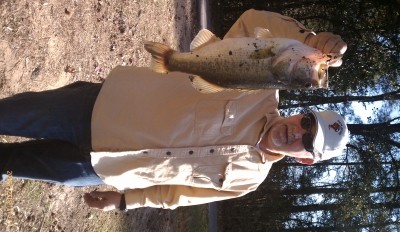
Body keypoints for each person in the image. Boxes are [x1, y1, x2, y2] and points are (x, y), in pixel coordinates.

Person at [0, 9, 349, 211]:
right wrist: (308, 41)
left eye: (307, 141)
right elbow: (252, 23)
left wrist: (124, 202)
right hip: (93, 109)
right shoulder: (259, 90)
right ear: (300, 112)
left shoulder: (248, 181)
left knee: (8, 166)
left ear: (305, 159)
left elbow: (176, 194)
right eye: (307, 122)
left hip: (98, 168)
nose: (297, 132)